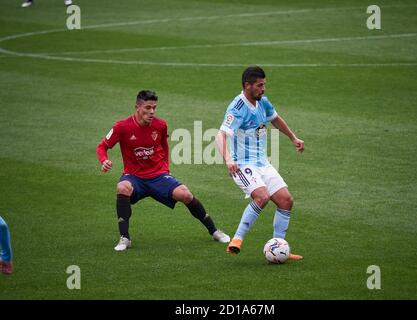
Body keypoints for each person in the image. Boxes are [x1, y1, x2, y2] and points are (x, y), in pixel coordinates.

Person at [96, 90, 230, 251]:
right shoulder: (122, 127)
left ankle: (214, 230)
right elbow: (102, 147)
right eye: (147, 108)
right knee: (122, 187)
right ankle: (125, 238)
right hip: (134, 177)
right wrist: (104, 160)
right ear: (137, 107)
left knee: (185, 194)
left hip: (158, 176)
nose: (152, 112)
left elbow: (164, 147)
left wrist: (166, 169)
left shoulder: (160, 125)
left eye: (154, 108)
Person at [215, 65, 304, 260]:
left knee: (286, 200)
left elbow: (275, 119)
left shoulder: (262, 102)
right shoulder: (237, 108)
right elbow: (219, 135)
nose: (263, 89)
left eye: (264, 85)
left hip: (262, 163)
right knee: (262, 197)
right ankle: (237, 239)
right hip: (242, 165)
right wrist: (228, 160)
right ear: (247, 85)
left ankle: (279, 247)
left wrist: (293, 138)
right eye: (259, 85)